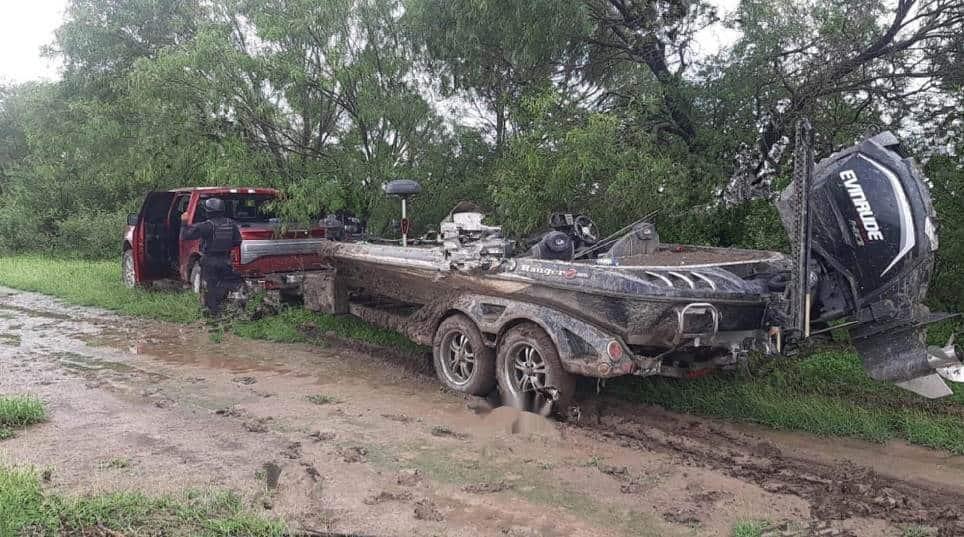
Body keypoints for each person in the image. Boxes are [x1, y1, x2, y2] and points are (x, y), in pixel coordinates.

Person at [180, 197, 243, 316]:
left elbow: (185, 236)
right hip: (226, 261)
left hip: (209, 261)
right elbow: (237, 242)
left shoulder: (206, 226)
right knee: (223, 287)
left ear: (208, 211)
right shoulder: (232, 224)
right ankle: (225, 312)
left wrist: (184, 222)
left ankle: (213, 317)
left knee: (210, 290)